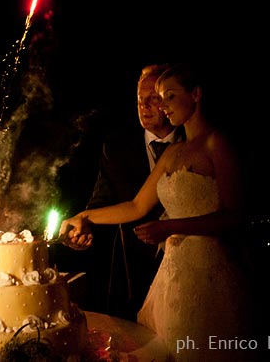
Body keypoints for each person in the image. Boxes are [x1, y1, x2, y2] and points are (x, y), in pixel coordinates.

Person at [59, 63, 255, 362]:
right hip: (168, 274)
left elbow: (236, 214)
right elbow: (136, 206)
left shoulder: (218, 143)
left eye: (166, 97)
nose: (158, 106)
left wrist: (169, 227)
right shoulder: (171, 154)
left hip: (211, 268)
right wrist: (82, 218)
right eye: (150, 98)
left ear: (196, 94)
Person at [82, 63, 185, 319]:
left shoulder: (192, 141)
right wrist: (84, 226)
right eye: (140, 99)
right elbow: (103, 203)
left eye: (153, 99)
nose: (144, 106)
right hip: (134, 270)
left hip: (189, 261)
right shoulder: (116, 147)